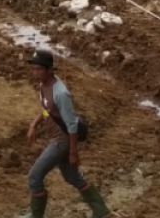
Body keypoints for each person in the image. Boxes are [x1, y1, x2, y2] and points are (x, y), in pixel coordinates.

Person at [25, 49, 111, 218]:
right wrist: (34, 124)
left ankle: (36, 216)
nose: (34, 72)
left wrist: (73, 152)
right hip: (57, 138)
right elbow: (47, 110)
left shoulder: (61, 93)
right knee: (71, 176)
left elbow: (72, 125)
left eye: (38, 69)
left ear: (50, 70)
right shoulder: (44, 85)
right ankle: (101, 210)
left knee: (34, 177)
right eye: (33, 68)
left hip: (62, 140)